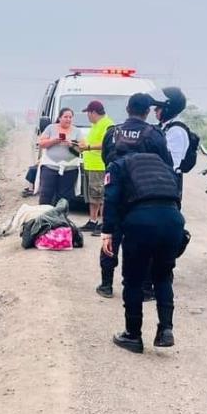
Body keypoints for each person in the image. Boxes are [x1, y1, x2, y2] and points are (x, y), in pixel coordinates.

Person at [101, 150, 184, 353]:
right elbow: (177, 194)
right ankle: (165, 330)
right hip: (173, 221)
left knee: (134, 279)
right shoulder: (162, 164)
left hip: (141, 222)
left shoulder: (118, 165)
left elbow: (110, 199)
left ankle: (133, 335)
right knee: (163, 276)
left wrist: (108, 232)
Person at [96, 93, 172, 298]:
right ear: (147, 112)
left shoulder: (112, 132)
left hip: (117, 195)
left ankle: (106, 285)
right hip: (144, 198)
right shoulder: (154, 134)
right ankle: (145, 288)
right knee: (145, 241)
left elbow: (106, 160)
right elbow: (166, 165)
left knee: (110, 235)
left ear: (128, 108)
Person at [77, 100, 114, 235]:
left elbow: (107, 144)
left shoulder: (107, 124)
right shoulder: (95, 125)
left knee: (101, 195)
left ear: (93, 112)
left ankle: (103, 223)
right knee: (92, 196)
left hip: (99, 166)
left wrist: (88, 147)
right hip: (90, 165)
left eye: (88, 113)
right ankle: (92, 221)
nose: (87, 116)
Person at [37, 108, 84, 207]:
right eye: (65, 117)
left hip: (70, 168)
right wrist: (54, 141)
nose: (68, 119)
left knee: (64, 197)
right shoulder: (51, 128)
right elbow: (41, 143)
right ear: (59, 117)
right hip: (50, 166)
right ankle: (44, 217)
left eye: (70, 117)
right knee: (46, 194)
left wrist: (71, 144)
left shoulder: (77, 131)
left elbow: (82, 148)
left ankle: (60, 219)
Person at [154, 86, 189, 197]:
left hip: (167, 183)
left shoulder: (176, 131)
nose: (155, 110)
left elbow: (171, 163)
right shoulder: (165, 127)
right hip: (159, 180)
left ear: (168, 109)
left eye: (159, 107)